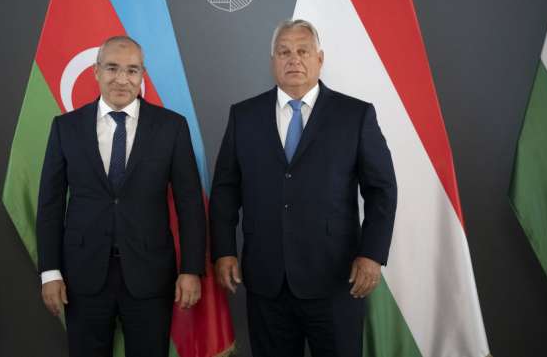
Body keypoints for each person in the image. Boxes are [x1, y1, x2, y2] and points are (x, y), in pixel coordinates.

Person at [209, 19, 397, 357]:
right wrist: (224, 250)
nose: (293, 59)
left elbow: (381, 190)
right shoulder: (244, 116)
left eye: (302, 51)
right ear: (273, 62)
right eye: (284, 52)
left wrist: (372, 254)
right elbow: (225, 190)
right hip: (267, 280)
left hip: (336, 277)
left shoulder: (355, 115)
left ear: (319, 59)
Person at [37, 36, 206, 357]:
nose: (122, 79)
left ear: (142, 75)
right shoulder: (65, 127)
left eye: (132, 70)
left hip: (150, 275)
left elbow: (190, 205)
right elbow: (50, 205)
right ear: (96, 71)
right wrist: (50, 271)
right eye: (112, 68)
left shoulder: (171, 127)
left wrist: (191, 269)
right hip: (82, 277)